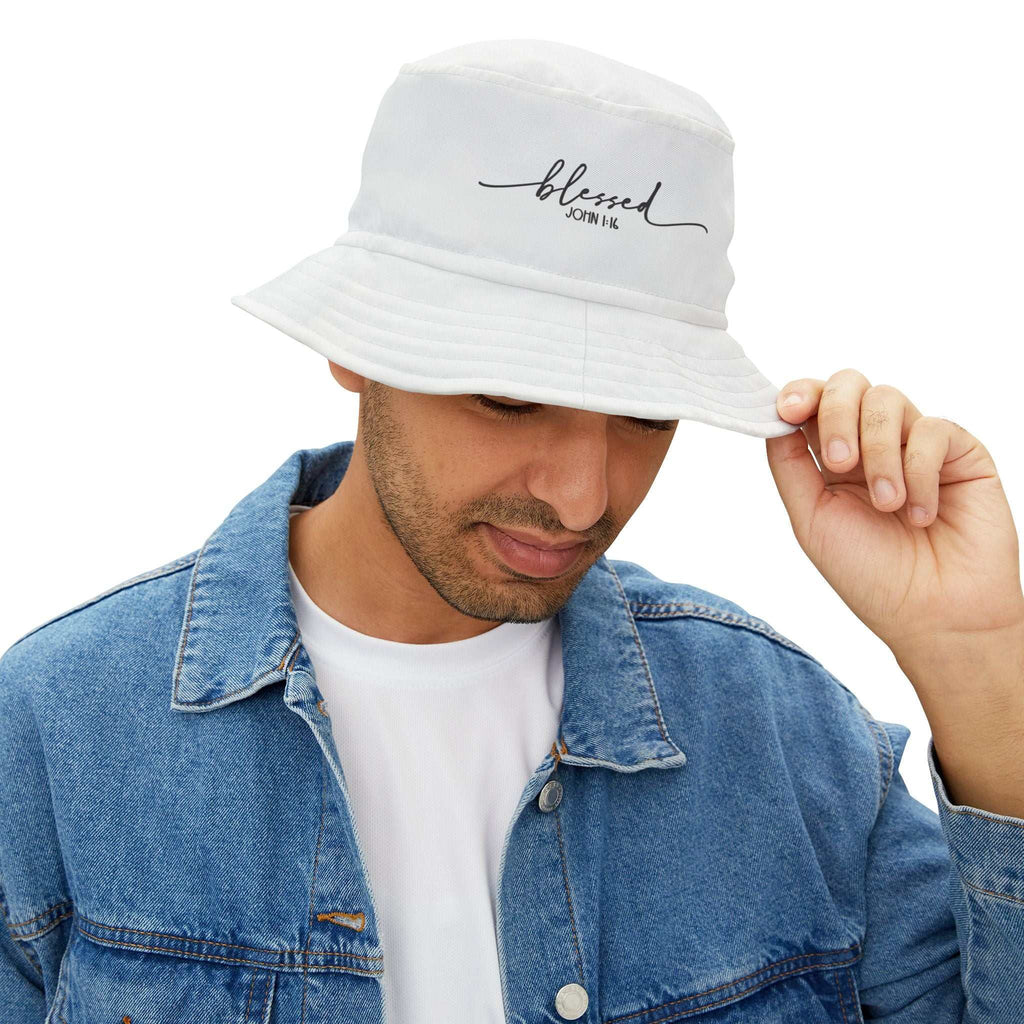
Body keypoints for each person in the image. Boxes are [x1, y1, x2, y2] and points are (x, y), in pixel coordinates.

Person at [2, 38, 1022, 1024]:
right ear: (356, 344)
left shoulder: (788, 738)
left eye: (644, 413)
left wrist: (976, 665)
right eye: (507, 397)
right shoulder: (58, 732)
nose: (584, 498)